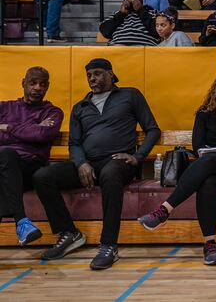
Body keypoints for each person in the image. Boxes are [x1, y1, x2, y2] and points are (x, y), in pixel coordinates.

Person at [34, 58, 161, 270]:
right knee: (42, 176)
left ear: (111, 74)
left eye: (97, 73)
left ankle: (108, 245)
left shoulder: (130, 95)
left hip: (119, 161)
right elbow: (74, 143)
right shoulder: (80, 106)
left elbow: (153, 129)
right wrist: (82, 163)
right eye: (89, 75)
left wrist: (137, 158)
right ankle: (69, 232)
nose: (92, 78)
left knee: (110, 174)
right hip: (88, 163)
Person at [138, 73, 216, 265]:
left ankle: (164, 210)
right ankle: (210, 244)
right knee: (208, 180)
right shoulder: (204, 114)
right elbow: (198, 146)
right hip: (210, 168)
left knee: (211, 161)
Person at [0, 67, 63, 246]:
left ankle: (21, 222)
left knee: (6, 154)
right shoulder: (5, 107)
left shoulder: (53, 112)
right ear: (23, 83)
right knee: (5, 158)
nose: (37, 88)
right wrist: (30, 131)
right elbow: (34, 134)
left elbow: (41, 135)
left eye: (42, 84)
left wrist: (7, 128)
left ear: (47, 87)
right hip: (5, 167)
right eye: (33, 83)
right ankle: (22, 224)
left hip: (30, 167)